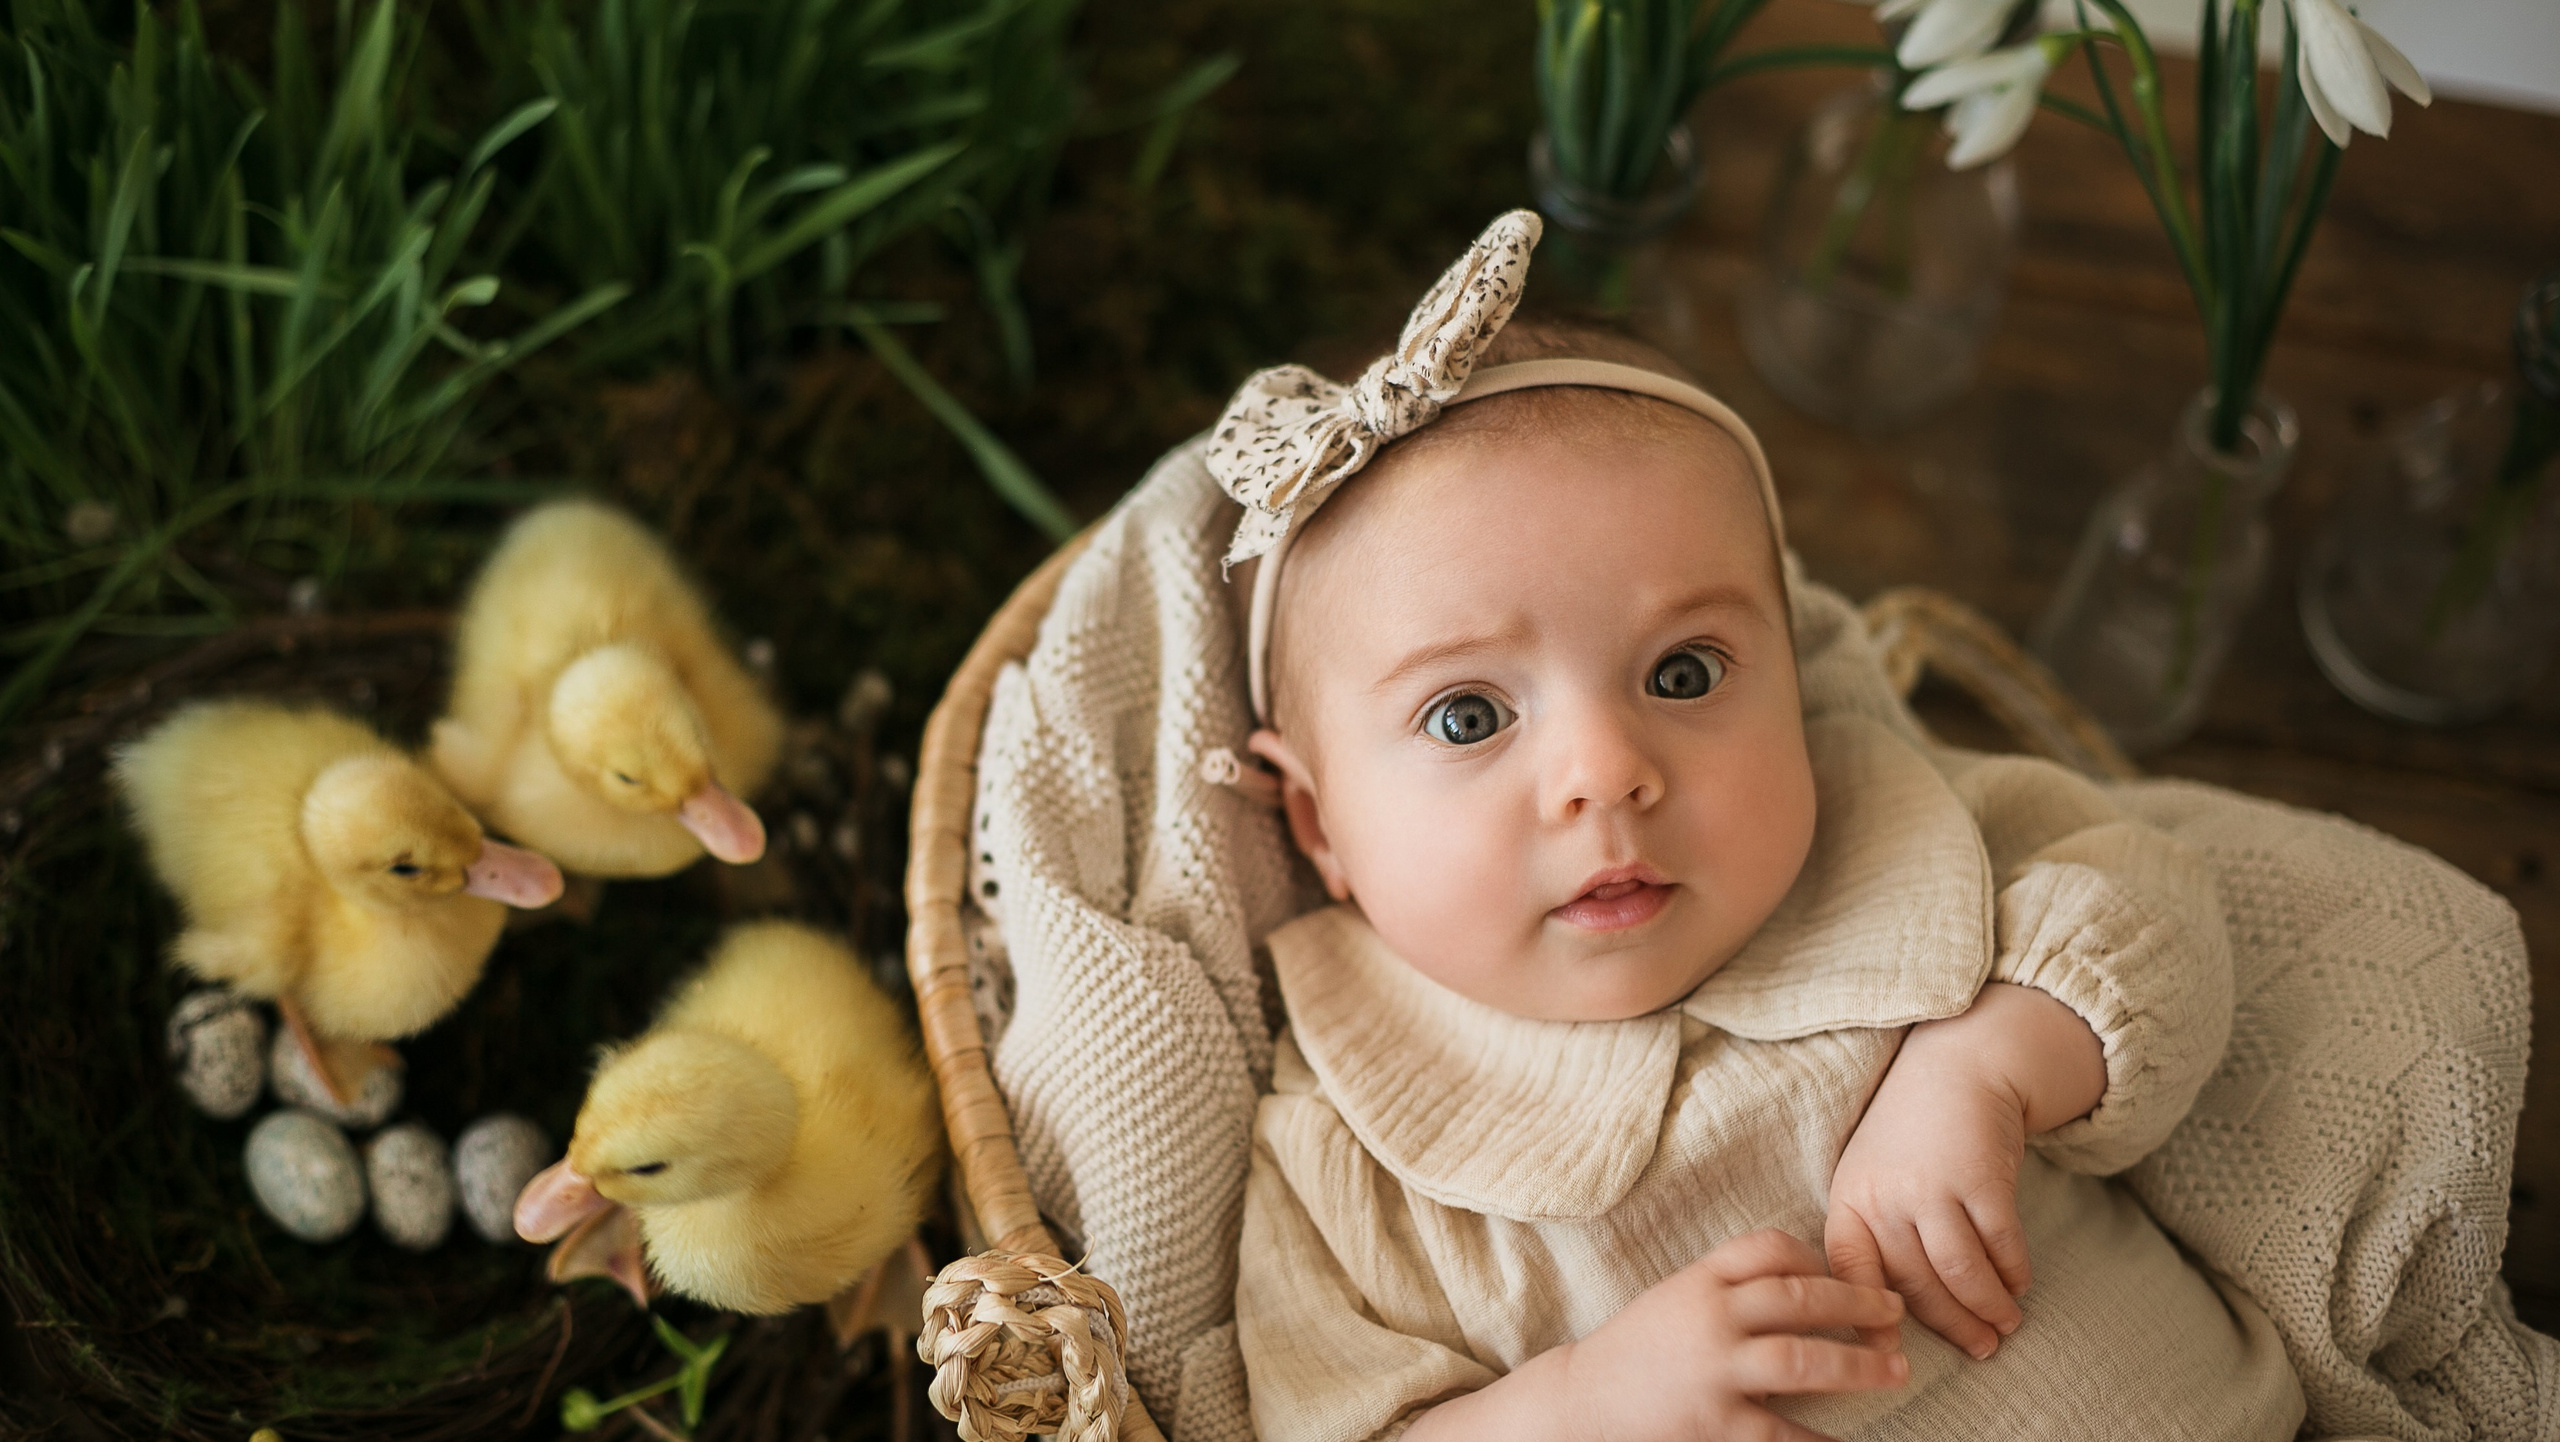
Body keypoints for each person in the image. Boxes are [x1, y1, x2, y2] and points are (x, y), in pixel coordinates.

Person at [1217, 211, 2304, 1441]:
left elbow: (2154, 912)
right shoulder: (1339, 1139)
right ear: (1319, 825)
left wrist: (1987, 1064)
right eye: (1467, 714)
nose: (1607, 773)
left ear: (1795, 674)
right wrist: (1585, 1404)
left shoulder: (1885, 822)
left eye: (1683, 674)